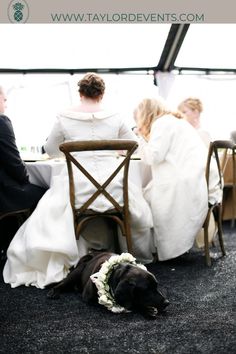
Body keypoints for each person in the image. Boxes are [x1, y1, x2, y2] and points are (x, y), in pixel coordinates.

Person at [3, 73, 154, 289]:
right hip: (116, 190)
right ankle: (121, 249)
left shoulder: (64, 117)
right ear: (102, 94)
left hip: (78, 190)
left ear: (80, 93)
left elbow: (53, 150)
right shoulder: (115, 116)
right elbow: (133, 145)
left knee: (50, 205)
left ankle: (76, 257)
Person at [134, 97, 222, 261]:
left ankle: (143, 251)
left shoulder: (162, 123)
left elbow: (153, 156)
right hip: (194, 181)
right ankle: (157, 246)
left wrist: (138, 138)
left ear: (146, 113)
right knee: (146, 193)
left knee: (137, 200)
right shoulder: (175, 121)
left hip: (182, 184)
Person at [0, 86, 47, 255]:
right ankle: (32, 250)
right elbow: (15, 166)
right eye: (4, 100)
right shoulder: (1, 122)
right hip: (4, 194)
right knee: (48, 193)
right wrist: (26, 178)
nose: (5, 105)